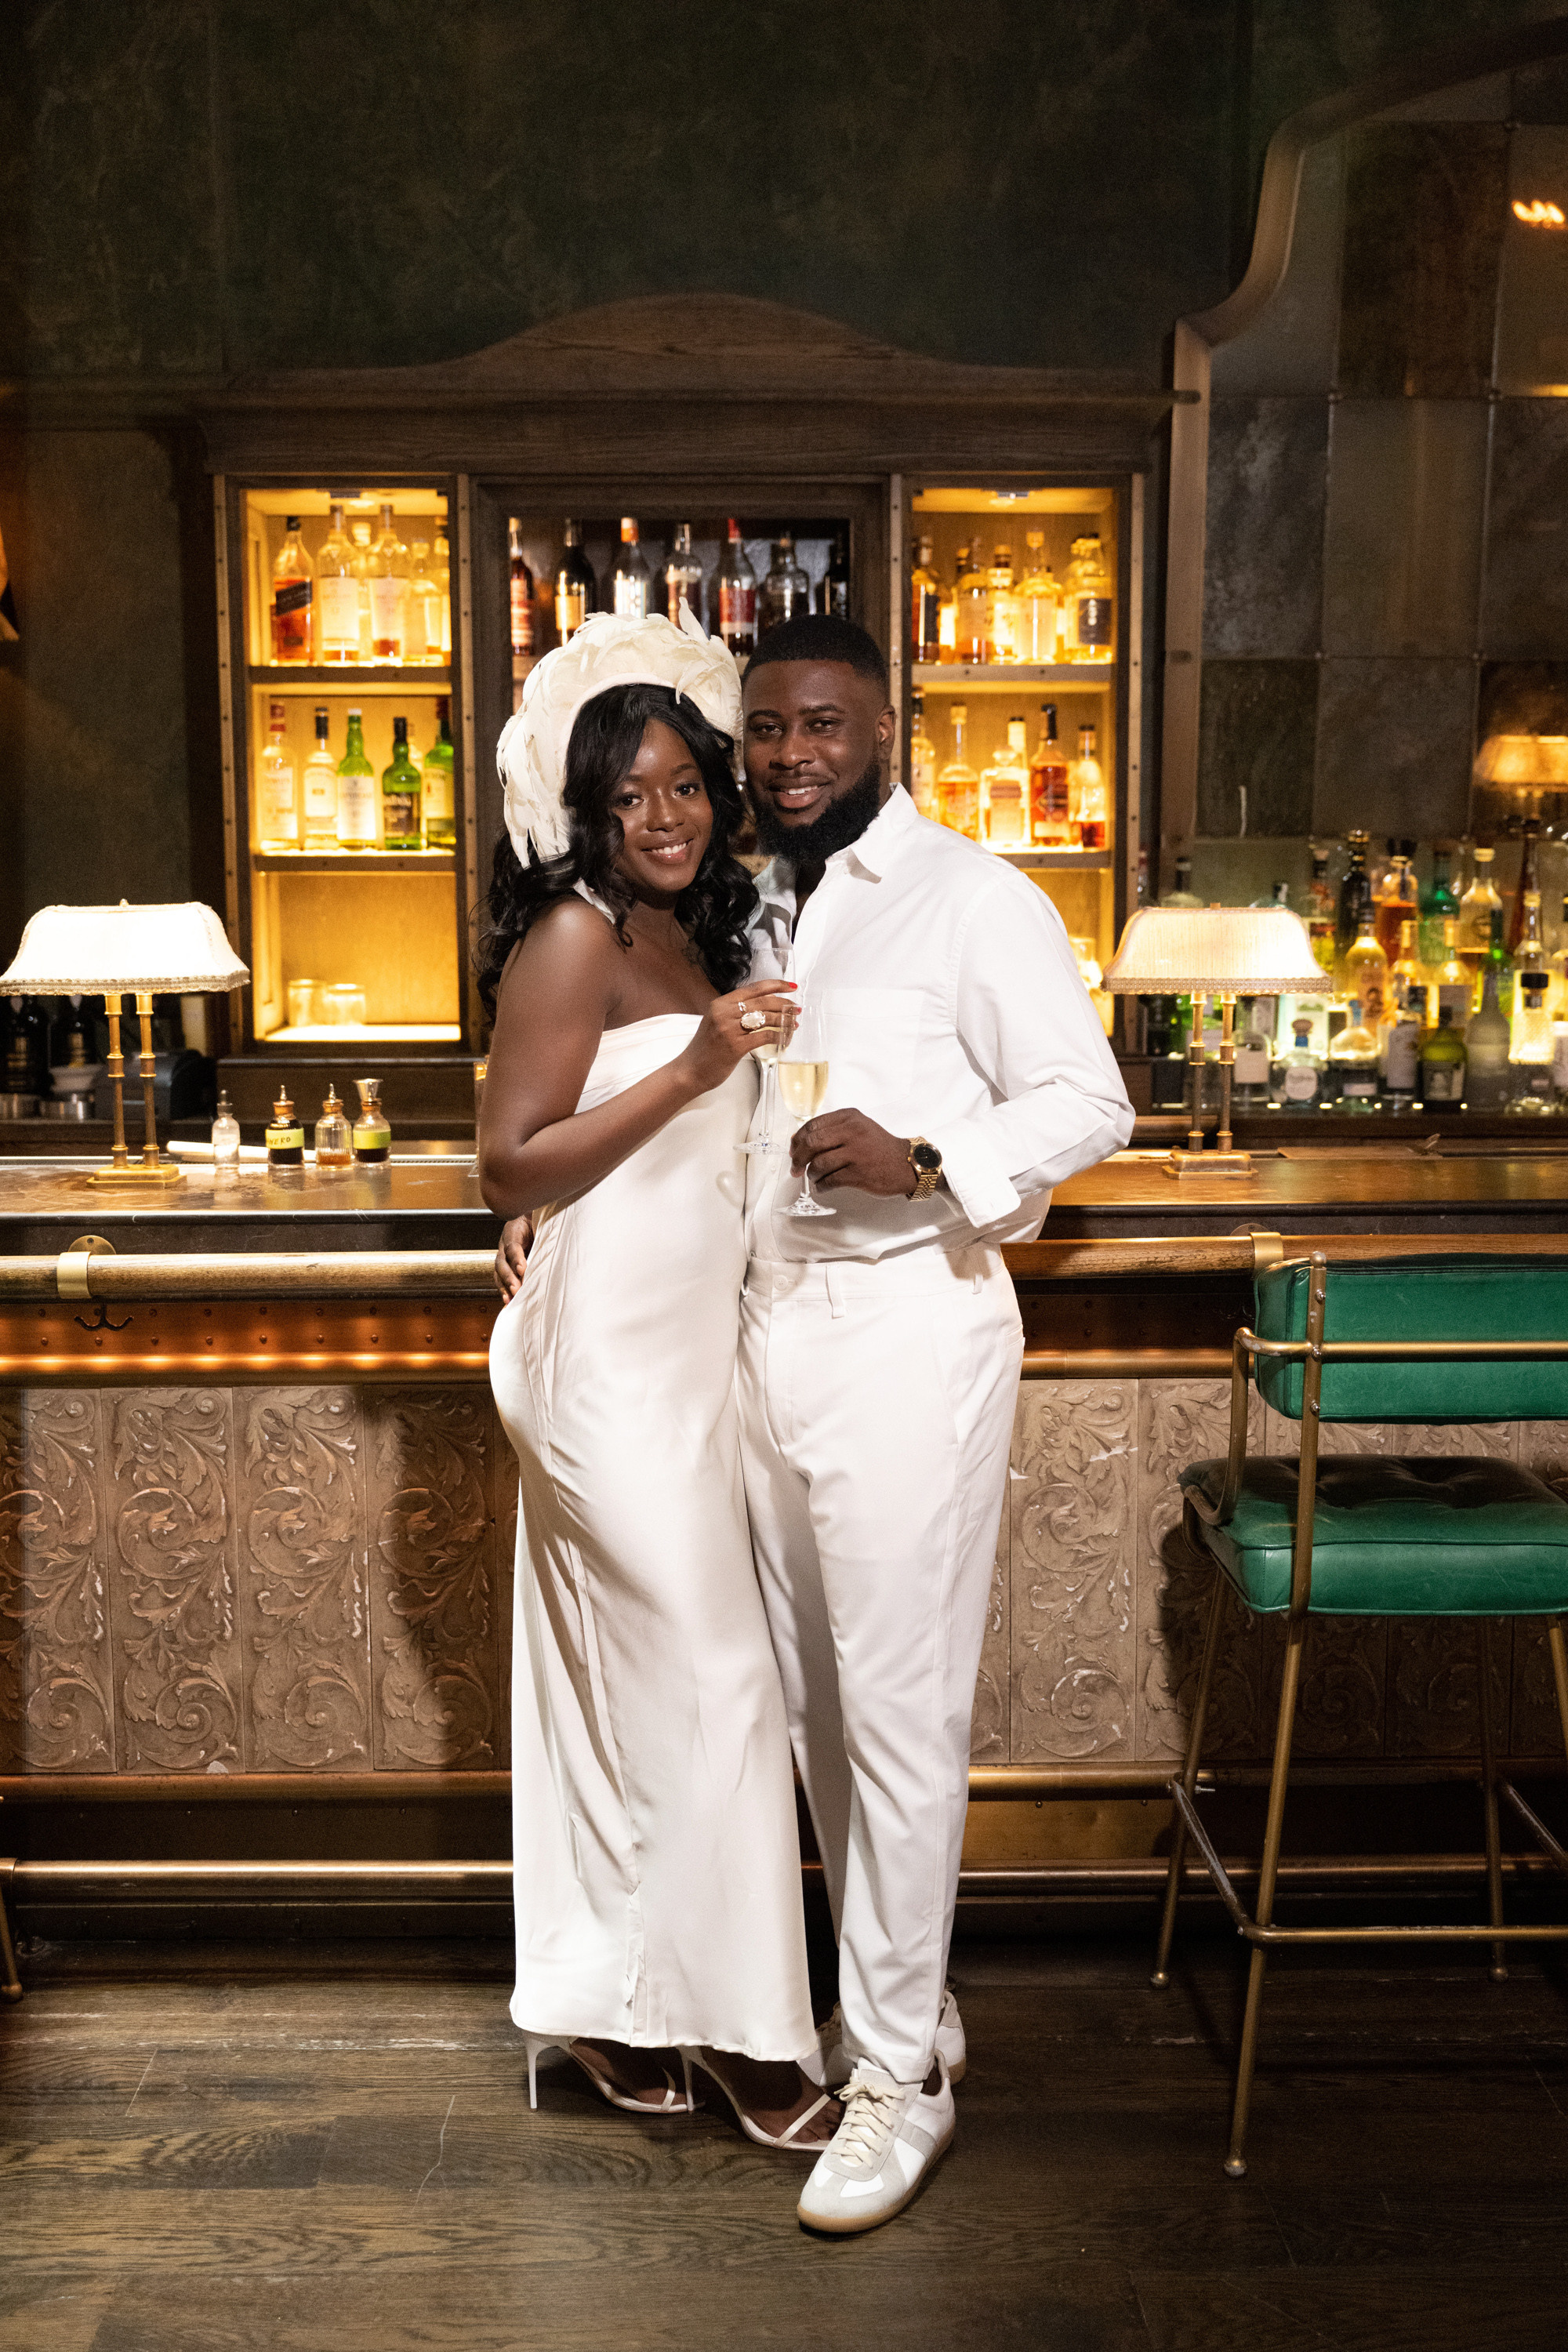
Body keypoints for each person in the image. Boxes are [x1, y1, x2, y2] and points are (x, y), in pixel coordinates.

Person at [735, 614, 1134, 2234]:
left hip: (910, 1333)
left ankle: (898, 2081)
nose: (790, 756)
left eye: (821, 724)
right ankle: (899, 2011)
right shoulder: (748, 904)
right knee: (815, 1712)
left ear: (886, 724)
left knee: (895, 1718)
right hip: (760, 1341)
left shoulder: (976, 898)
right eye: (765, 729)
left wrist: (930, 1157)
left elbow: (1088, 1097)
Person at [479, 607, 836, 2151]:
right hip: (602, 1365)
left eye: (685, 784)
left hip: (693, 1361)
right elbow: (505, 1154)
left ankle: (611, 2013)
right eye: (630, 797)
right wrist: (693, 1070)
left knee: (627, 1691)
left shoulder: (702, 933)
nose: (666, 815)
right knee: (717, 1676)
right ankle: (755, 2044)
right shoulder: (573, 935)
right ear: (587, 815)